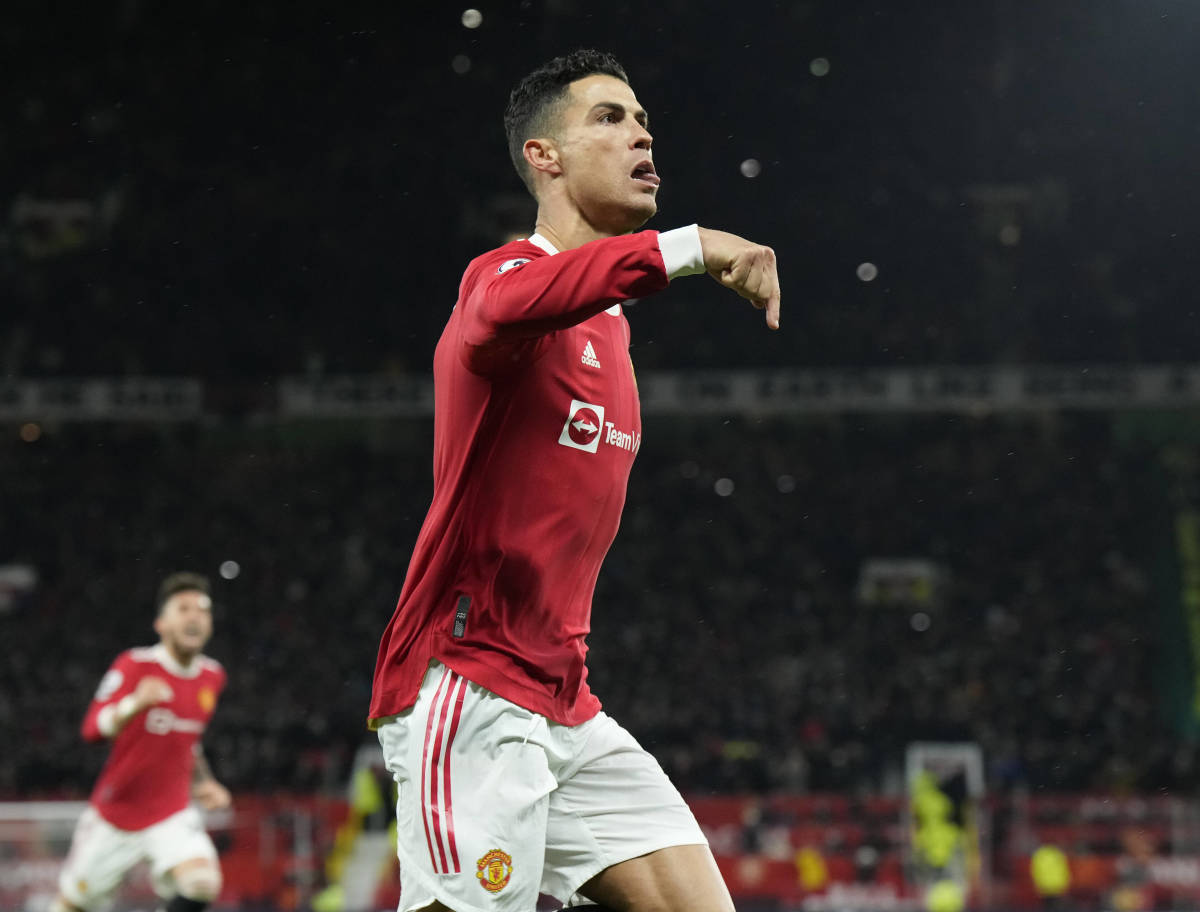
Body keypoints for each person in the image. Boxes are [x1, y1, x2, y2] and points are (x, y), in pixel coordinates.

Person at [369, 49, 780, 912]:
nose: (641, 133)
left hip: (563, 700)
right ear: (543, 157)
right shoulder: (503, 283)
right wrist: (690, 247)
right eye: (609, 118)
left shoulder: (613, 334)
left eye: (641, 120)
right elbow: (508, 307)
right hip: (469, 682)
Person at [51, 572, 230, 912]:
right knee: (72, 906)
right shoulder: (135, 665)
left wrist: (205, 782)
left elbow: (190, 740)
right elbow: (92, 729)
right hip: (116, 816)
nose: (194, 617)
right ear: (161, 623)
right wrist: (135, 703)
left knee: (202, 883)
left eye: (202, 610)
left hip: (171, 813)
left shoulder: (212, 676)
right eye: (183, 609)